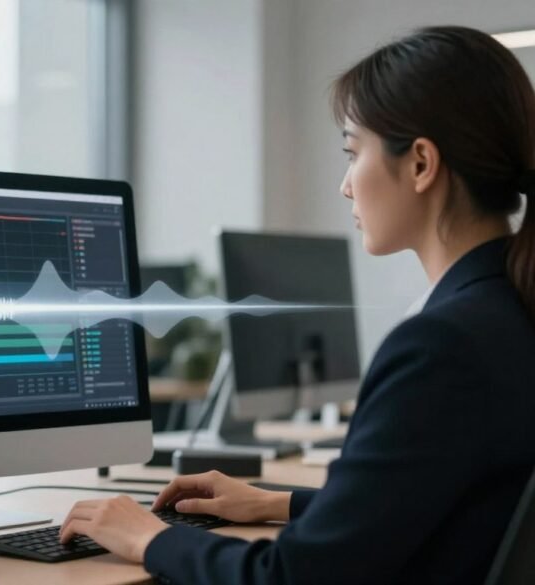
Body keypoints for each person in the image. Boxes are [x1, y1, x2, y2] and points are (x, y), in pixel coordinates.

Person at [59, 25, 535, 584]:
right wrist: (275, 502)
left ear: (421, 165)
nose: (346, 185)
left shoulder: (441, 345)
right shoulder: (509, 311)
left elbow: (292, 577)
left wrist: (151, 538)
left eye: (354, 153)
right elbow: (432, 504)